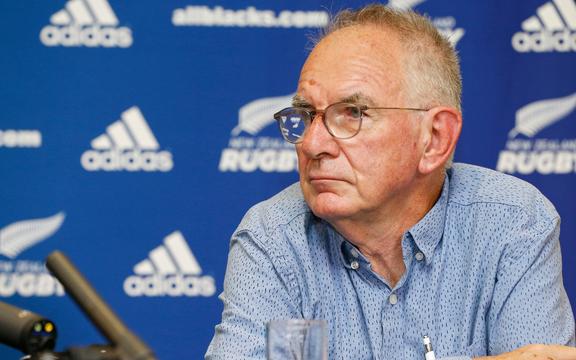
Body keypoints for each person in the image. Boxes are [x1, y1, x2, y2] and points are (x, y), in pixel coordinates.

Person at [206, 5, 575, 360]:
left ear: (434, 138)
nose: (312, 143)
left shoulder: (512, 222)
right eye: (306, 114)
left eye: (353, 113)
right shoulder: (272, 237)